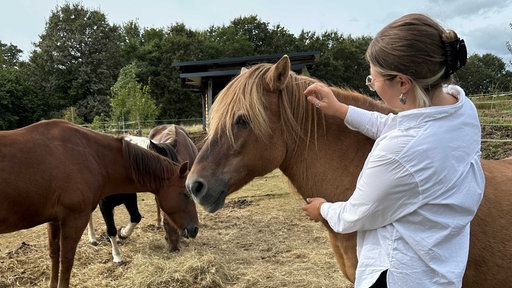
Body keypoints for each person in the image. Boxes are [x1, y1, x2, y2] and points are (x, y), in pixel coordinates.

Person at [302, 13, 485, 288]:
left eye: (373, 80)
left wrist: (323, 209)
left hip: (398, 275)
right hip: (442, 270)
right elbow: (398, 126)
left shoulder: (398, 153)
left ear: (402, 83)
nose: (372, 87)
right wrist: (341, 110)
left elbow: (356, 214)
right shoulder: (460, 108)